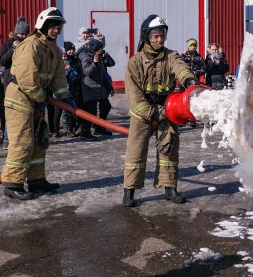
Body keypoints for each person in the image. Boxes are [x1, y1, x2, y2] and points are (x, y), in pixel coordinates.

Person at [0, 7, 77, 200]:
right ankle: (12, 183)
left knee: (40, 139)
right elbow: (27, 78)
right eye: (52, 26)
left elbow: (58, 76)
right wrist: (42, 99)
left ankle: (36, 180)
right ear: (42, 26)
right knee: (22, 142)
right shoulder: (30, 45)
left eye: (58, 27)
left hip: (35, 100)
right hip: (20, 98)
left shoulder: (52, 49)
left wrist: (65, 96)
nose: (56, 31)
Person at [122, 14, 196, 207]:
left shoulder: (170, 56)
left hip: (167, 109)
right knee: (135, 152)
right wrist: (151, 113)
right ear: (146, 36)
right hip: (142, 113)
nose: (159, 39)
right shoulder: (135, 62)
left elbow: (180, 67)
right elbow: (134, 96)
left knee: (169, 149)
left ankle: (170, 188)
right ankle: (129, 192)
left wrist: (189, 80)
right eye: (155, 36)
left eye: (162, 35)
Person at [77, 38, 115, 140]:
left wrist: (109, 87)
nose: (101, 51)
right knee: (91, 112)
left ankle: (99, 127)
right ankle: (85, 132)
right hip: (90, 89)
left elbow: (104, 72)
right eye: (100, 49)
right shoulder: (86, 57)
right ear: (95, 49)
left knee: (106, 106)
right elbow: (87, 72)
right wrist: (94, 63)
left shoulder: (99, 57)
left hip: (99, 88)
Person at [0, 16, 30, 89]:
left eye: (26, 34)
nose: (24, 36)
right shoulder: (8, 44)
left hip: (26, 80)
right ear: (16, 34)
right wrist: (13, 49)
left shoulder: (30, 45)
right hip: (11, 80)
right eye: (22, 34)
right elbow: (2, 61)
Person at [62, 42, 81, 137]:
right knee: (62, 111)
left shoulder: (74, 62)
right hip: (61, 91)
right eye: (69, 50)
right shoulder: (59, 66)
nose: (71, 52)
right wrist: (65, 71)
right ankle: (61, 129)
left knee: (71, 109)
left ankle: (71, 128)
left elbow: (75, 76)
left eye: (73, 50)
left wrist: (70, 72)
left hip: (72, 90)